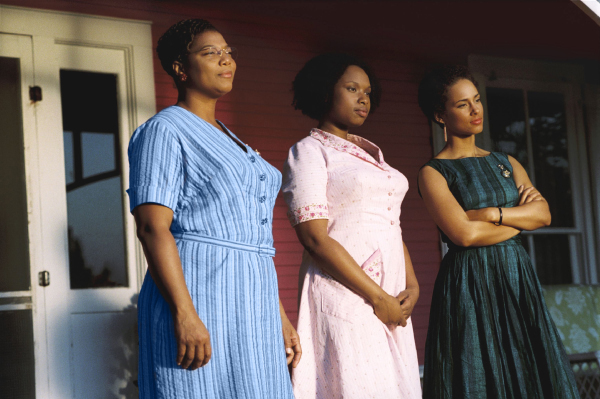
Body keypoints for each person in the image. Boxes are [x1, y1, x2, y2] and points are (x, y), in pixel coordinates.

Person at [127, 19, 299, 398]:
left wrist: (280, 317)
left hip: (253, 298)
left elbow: (251, 237)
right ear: (180, 67)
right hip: (200, 292)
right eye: (210, 53)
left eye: (228, 53)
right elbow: (152, 228)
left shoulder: (229, 136)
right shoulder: (164, 130)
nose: (226, 60)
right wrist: (185, 314)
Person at [417, 65, 579, 398]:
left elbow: (544, 214)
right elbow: (464, 236)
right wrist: (520, 221)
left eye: (476, 100)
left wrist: (493, 214)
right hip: (469, 283)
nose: (476, 110)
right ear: (440, 115)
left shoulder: (506, 162)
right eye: (463, 104)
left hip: (516, 276)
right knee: (476, 370)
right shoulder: (433, 173)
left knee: (527, 363)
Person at [282, 53, 422, 399]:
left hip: (391, 299)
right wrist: (377, 297)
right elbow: (314, 238)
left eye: (368, 92)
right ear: (325, 92)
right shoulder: (310, 152)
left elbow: (390, 222)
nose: (364, 98)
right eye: (352, 88)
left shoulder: (372, 156)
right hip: (347, 293)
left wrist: (413, 285)